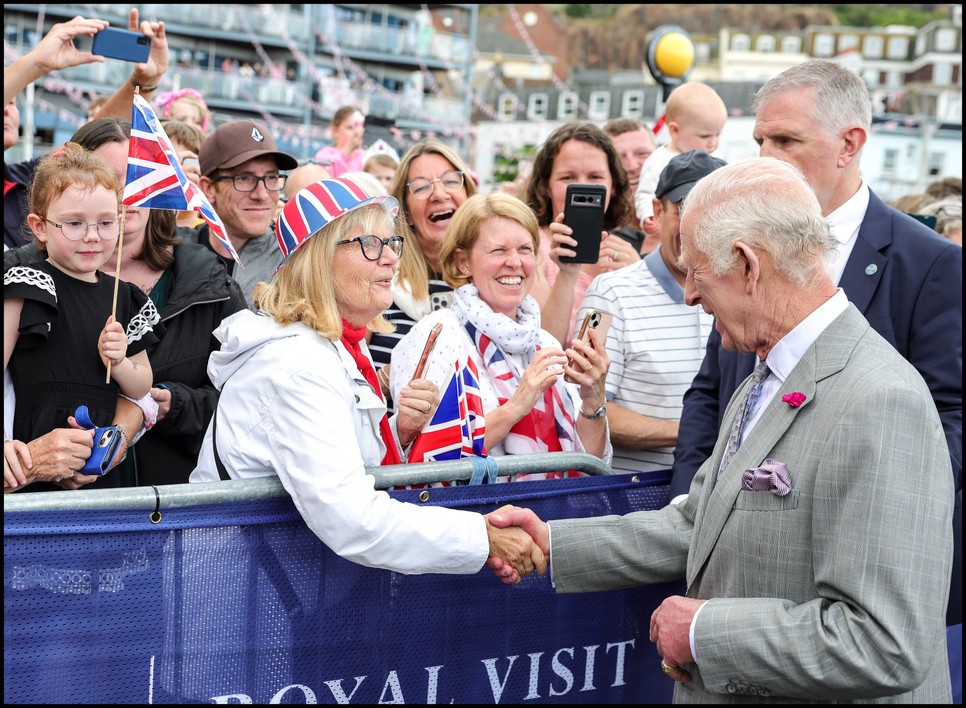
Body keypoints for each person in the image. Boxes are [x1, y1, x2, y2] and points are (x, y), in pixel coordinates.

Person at [490, 157, 954, 703]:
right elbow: (700, 522)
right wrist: (555, 542)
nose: (689, 294)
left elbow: (884, 644)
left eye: (696, 272)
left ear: (748, 265)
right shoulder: (768, 371)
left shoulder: (881, 400)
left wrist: (703, 632)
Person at [670, 59, 963, 698]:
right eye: (759, 140)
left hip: (846, 593)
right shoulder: (736, 263)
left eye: (785, 140)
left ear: (849, 144)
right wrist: (706, 520)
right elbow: (713, 395)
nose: (766, 156)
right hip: (740, 605)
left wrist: (823, 501)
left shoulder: (932, 266)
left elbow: (943, 424)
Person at [189, 177, 545, 579]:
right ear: (318, 259)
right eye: (370, 244)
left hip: (273, 582)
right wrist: (482, 537)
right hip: (237, 593)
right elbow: (352, 518)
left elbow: (343, 456)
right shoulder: (299, 366)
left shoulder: (331, 349)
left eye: (391, 242)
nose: (391, 258)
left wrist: (398, 431)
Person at [389, 192, 611, 476]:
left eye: (525, 249)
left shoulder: (545, 342)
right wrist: (517, 405)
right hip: (476, 506)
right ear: (463, 262)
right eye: (498, 250)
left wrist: (593, 398)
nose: (515, 262)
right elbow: (426, 465)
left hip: (556, 504)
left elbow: (591, 464)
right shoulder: (437, 334)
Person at [4, 143, 161, 490]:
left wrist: (119, 363)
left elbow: (142, 385)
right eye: (74, 223)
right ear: (40, 226)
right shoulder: (26, 284)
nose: (92, 236)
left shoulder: (124, 297)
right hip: (33, 455)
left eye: (105, 223)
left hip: (100, 465)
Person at [576, 150, 723, 474]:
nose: (698, 225)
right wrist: (695, 433)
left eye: (713, 212)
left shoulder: (739, 293)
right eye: (685, 209)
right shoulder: (608, 293)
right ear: (657, 211)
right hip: (638, 492)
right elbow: (583, 403)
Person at [4, 9, 168, 250]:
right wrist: (36, 62)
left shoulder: (34, 179)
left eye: (12, 102)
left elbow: (98, 138)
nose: (7, 110)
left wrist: (144, 81)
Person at [367, 138, 478, 402]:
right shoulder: (378, 275)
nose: (439, 194)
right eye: (421, 187)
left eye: (451, 181)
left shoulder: (496, 276)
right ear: (405, 211)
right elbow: (350, 387)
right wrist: (397, 372)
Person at [522, 121, 640, 346]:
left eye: (595, 177)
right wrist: (567, 275)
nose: (584, 187)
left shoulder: (624, 253)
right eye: (567, 177)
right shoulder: (529, 246)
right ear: (545, 186)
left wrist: (637, 281)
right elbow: (545, 345)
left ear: (613, 185)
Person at [195, 118, 298, 308]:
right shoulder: (172, 255)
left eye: (271, 177)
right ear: (208, 188)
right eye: (244, 178)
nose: (262, 194)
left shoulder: (298, 264)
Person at [633, 82, 727, 237]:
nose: (713, 143)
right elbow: (645, 193)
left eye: (718, 135)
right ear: (675, 131)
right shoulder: (658, 160)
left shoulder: (716, 157)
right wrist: (648, 215)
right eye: (705, 136)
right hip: (672, 231)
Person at [603, 117, 656, 254]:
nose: (632, 166)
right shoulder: (597, 231)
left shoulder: (681, 219)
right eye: (619, 158)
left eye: (642, 154)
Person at [161, 119, 207, 229]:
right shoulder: (138, 225)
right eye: (170, 162)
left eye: (187, 161)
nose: (181, 172)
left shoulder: (210, 231)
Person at [313, 105, 366, 177]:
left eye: (359, 127)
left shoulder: (364, 157)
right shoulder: (325, 155)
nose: (356, 132)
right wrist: (348, 148)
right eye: (350, 128)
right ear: (335, 130)